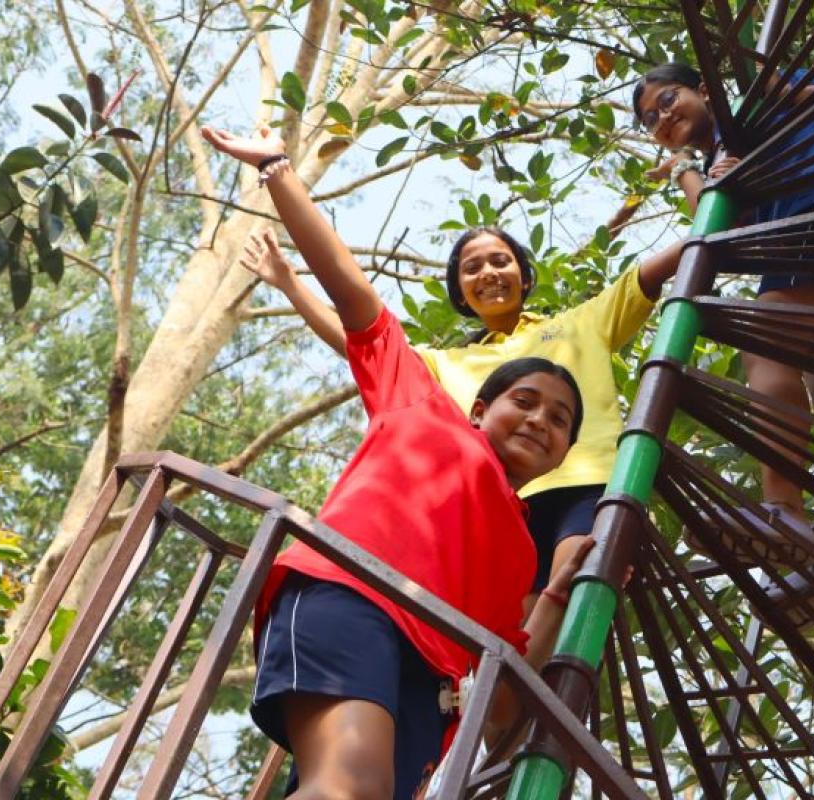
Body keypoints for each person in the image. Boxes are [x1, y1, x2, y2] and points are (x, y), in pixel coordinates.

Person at [201, 123, 593, 800]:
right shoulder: (424, 405)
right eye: (526, 401)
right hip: (352, 596)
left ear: (562, 454)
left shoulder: (519, 549)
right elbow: (354, 297)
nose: (540, 420)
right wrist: (278, 171)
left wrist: (559, 588)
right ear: (479, 410)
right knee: (348, 785)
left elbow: (504, 695)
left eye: (560, 421)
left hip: (428, 687)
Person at [236, 201, 685, 621]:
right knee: (526, 634)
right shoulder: (446, 364)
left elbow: (656, 270)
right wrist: (290, 283)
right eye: (472, 268)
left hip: (586, 483)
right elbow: (363, 343)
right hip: (501, 509)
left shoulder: (580, 323)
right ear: (462, 294)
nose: (488, 272)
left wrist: (702, 186)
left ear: (525, 277)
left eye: (500, 261)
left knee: (579, 583)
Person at [634, 63, 814, 623]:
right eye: (651, 120)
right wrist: (692, 171)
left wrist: (779, 86)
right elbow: (717, 228)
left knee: (762, 341)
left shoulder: (761, 98)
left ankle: (782, 509)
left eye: (668, 99)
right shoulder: (725, 151)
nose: (662, 118)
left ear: (704, 88)